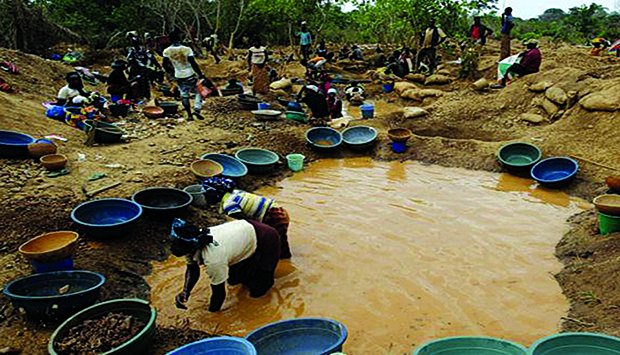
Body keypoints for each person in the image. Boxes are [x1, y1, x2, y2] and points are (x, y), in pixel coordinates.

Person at [171, 218, 281, 312]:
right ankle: (249, 269)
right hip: (243, 235)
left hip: (266, 237)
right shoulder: (190, 244)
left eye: (178, 245)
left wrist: (212, 314)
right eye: (174, 243)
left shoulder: (213, 259)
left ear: (193, 246)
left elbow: (219, 292)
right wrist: (186, 292)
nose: (174, 247)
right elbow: (192, 269)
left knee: (258, 290)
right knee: (233, 281)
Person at [163, 30, 206, 120]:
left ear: (170, 39)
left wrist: (172, 73)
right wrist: (200, 74)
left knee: (184, 94)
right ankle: (197, 110)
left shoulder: (166, 51)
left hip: (178, 75)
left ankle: (189, 115)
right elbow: (193, 63)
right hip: (190, 74)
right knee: (199, 91)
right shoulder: (187, 49)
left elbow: (165, 65)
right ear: (179, 38)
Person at [126, 31, 152, 100]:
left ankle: (144, 96)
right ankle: (135, 97)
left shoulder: (142, 49)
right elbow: (129, 59)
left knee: (143, 83)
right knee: (136, 83)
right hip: (136, 69)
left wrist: (147, 65)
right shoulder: (132, 49)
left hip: (140, 69)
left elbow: (149, 57)